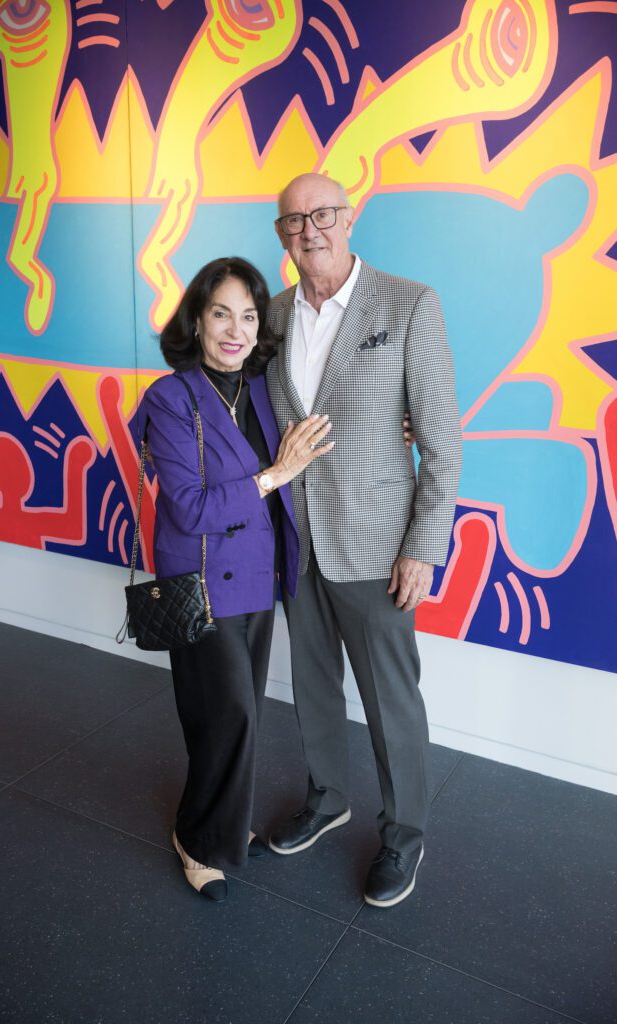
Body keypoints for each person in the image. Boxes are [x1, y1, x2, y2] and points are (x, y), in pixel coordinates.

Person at [265, 173, 463, 908]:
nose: (309, 229)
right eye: (293, 221)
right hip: (297, 540)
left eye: (322, 214)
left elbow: (441, 441)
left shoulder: (409, 304)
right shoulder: (274, 315)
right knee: (311, 685)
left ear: (347, 219)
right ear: (281, 235)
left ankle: (405, 834)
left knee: (391, 700)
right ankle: (326, 797)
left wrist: (424, 544)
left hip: (378, 545)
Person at [142, 256, 333, 902]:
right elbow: (190, 507)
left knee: (236, 714)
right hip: (200, 580)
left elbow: (313, 436)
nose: (235, 329)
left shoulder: (260, 388)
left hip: (259, 575)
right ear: (196, 319)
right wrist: (273, 476)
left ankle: (221, 823)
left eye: (248, 316)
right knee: (228, 716)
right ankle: (198, 841)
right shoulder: (169, 398)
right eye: (221, 312)